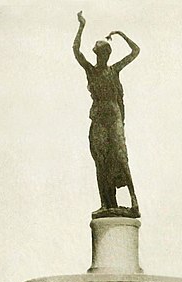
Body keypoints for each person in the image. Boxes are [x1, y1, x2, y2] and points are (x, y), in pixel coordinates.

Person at [73, 11, 140, 217]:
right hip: (99, 118)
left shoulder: (114, 70)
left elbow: (135, 51)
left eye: (102, 52)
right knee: (101, 160)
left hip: (113, 117)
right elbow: (76, 50)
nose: (100, 55)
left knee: (120, 156)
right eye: (98, 52)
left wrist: (121, 34)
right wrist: (81, 26)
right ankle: (106, 203)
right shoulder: (91, 71)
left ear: (106, 54)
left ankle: (134, 201)